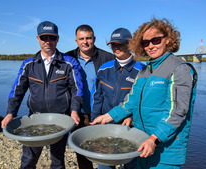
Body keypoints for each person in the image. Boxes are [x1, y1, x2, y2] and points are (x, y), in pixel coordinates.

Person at [91, 18, 198, 169]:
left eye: (156, 40)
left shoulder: (179, 69)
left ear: (167, 39)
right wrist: (107, 117)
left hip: (165, 150)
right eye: (145, 42)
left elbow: (176, 112)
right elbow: (130, 103)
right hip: (142, 143)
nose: (150, 46)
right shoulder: (144, 71)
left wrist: (154, 139)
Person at [1, 21, 84, 169]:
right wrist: (10, 113)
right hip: (35, 119)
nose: (48, 41)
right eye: (43, 37)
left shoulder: (69, 62)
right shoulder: (28, 64)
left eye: (51, 37)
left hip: (61, 119)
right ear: (38, 38)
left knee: (57, 160)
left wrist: (74, 110)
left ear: (57, 39)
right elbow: (17, 90)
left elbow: (77, 88)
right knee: (29, 158)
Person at [91, 28, 145, 169]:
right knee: (105, 164)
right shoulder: (104, 69)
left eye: (120, 44)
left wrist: (132, 118)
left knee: (131, 164)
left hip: (130, 129)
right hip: (106, 127)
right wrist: (95, 120)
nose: (116, 47)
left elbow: (144, 102)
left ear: (130, 44)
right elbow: (97, 98)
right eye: (113, 44)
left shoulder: (142, 71)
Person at [66, 24, 115, 169]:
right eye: (81, 38)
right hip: (77, 115)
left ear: (94, 38)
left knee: (105, 154)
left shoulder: (108, 58)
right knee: (82, 154)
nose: (85, 42)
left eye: (88, 38)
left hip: (101, 114)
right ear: (76, 41)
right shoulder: (68, 58)